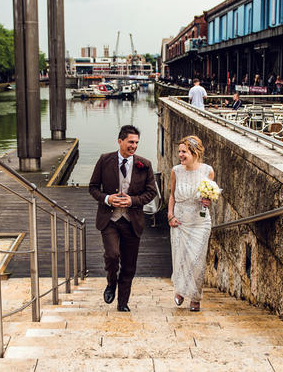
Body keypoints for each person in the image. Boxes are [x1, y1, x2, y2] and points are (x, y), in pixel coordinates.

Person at [89, 125, 157, 312]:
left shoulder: (145, 164)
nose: (133, 146)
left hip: (132, 220)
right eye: (130, 142)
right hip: (109, 219)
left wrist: (132, 200)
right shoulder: (105, 160)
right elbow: (93, 187)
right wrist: (107, 199)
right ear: (120, 141)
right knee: (112, 255)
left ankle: (122, 302)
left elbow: (151, 192)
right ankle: (111, 282)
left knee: (129, 264)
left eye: (136, 143)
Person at [168, 136, 215, 312]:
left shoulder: (208, 171)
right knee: (180, 259)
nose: (180, 155)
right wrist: (170, 215)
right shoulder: (176, 171)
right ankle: (180, 290)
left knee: (197, 261)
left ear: (195, 153)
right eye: (179, 151)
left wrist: (208, 200)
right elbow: (172, 195)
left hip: (200, 223)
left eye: (184, 152)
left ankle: (195, 297)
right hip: (180, 222)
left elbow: (209, 194)